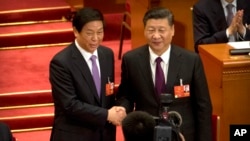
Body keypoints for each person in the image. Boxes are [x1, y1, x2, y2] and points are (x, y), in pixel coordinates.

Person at [116, 7, 212, 141]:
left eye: (161, 30)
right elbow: (126, 96)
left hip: (182, 134)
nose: (156, 36)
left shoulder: (191, 60)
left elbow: (203, 106)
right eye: (151, 30)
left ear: (172, 30)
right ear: (144, 30)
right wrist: (122, 108)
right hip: (146, 133)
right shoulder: (131, 60)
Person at [49, 7, 126, 141]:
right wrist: (107, 115)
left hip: (104, 134)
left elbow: (108, 91)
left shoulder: (106, 54)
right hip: (75, 135)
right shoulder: (61, 62)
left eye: (100, 32)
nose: (95, 38)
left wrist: (120, 108)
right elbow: (70, 105)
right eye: (89, 33)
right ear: (76, 31)